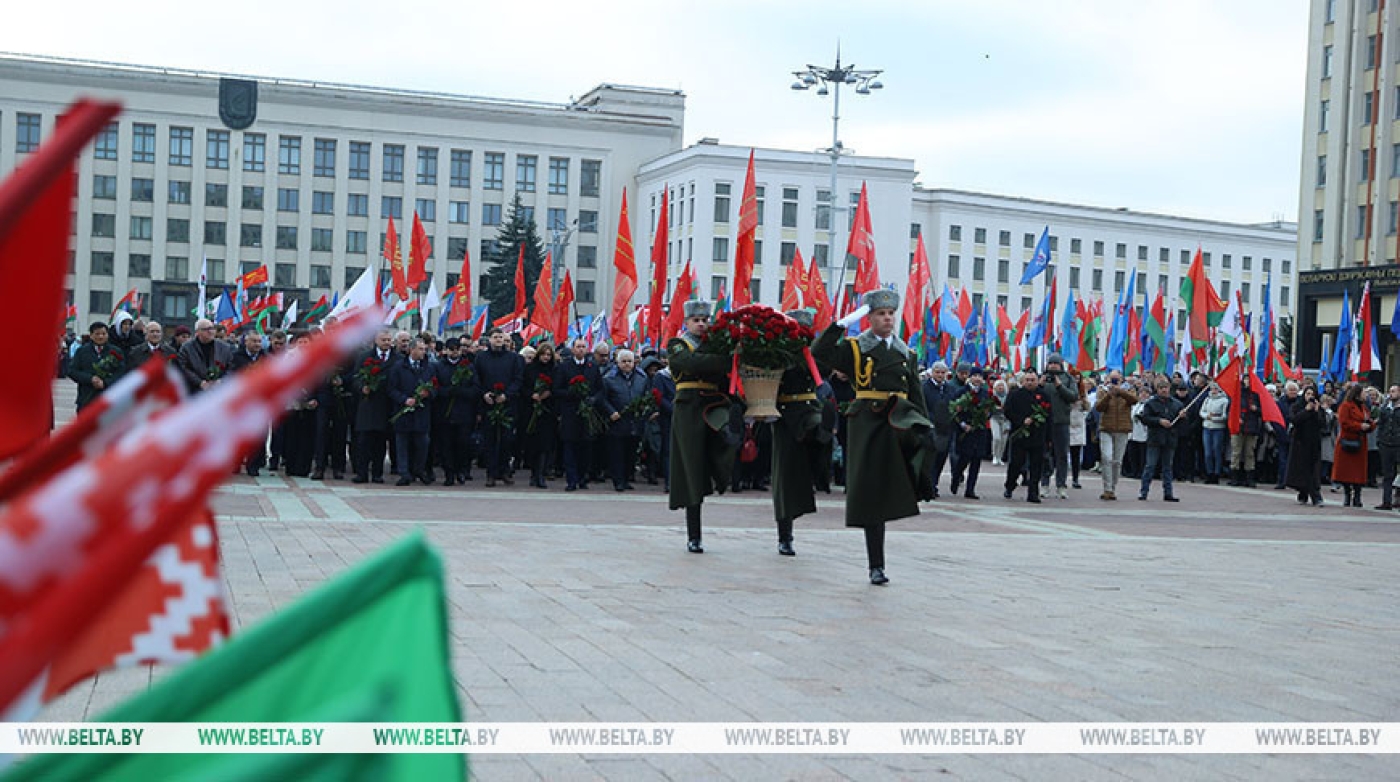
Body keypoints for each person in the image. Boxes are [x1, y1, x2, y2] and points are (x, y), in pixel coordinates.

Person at [812, 290, 933, 585]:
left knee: (899, 482)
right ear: (869, 318)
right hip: (869, 422)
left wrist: (925, 426)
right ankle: (875, 564)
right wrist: (840, 325)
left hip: (899, 423)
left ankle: (919, 490)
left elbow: (915, 396)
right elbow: (820, 351)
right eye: (881, 313)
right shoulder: (856, 349)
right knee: (871, 494)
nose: (888, 318)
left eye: (891, 313)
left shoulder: (906, 353)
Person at [667, 301, 737, 552]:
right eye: (695, 320)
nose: (701, 324)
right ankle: (693, 535)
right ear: (686, 322)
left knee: (730, 441)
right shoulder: (676, 345)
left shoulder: (715, 344)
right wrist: (721, 358)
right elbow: (691, 363)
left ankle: (721, 478)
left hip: (714, 405)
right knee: (691, 469)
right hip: (689, 410)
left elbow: (722, 369)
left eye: (705, 320)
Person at [769, 308, 823, 556]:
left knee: (823, 440)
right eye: (796, 328)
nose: (801, 333)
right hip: (784, 416)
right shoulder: (777, 353)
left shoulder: (816, 352)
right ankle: (785, 535)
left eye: (805, 328)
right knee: (785, 478)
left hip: (810, 411)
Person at [351, 329, 399, 484]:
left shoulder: (397, 359)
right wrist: (362, 387)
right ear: (376, 340)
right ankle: (362, 473)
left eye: (388, 340)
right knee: (363, 441)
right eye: (383, 340)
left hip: (386, 405)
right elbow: (356, 378)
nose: (387, 343)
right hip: (367, 404)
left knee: (380, 442)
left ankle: (377, 473)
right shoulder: (365, 357)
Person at [389, 336, 437, 486]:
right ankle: (404, 473)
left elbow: (436, 386)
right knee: (402, 443)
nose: (423, 352)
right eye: (420, 349)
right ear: (411, 349)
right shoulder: (398, 367)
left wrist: (428, 393)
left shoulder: (429, 367)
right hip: (403, 411)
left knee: (423, 443)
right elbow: (391, 389)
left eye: (425, 349)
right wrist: (404, 399)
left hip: (422, 412)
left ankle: (419, 469)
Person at [555, 338, 601, 491]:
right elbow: (557, 389)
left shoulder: (592, 367)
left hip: (587, 413)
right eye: (578, 347)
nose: (581, 349)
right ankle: (571, 480)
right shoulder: (564, 367)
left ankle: (582, 478)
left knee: (586, 447)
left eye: (583, 347)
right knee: (570, 446)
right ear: (573, 349)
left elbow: (600, 389)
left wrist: (593, 399)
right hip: (570, 412)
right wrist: (572, 393)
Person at [432, 337, 477, 486]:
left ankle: (460, 470)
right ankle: (449, 473)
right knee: (446, 445)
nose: (454, 352)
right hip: (444, 413)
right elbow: (434, 387)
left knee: (462, 444)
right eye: (451, 349)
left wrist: (462, 391)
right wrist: (447, 392)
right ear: (445, 350)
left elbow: (475, 389)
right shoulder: (439, 366)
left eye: (456, 349)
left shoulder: (468, 367)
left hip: (463, 414)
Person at [1003, 370, 1049, 503]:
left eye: (1032, 380)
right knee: (1016, 463)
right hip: (1019, 435)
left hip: (1037, 436)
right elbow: (1008, 411)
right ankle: (1010, 486)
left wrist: (1048, 437)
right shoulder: (1015, 394)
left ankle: (1033, 492)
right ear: (1023, 381)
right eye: (1027, 380)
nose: (1030, 382)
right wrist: (1020, 421)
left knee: (1036, 465)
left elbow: (1048, 415)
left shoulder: (1043, 395)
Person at [1137, 380, 1184, 502]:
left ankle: (1168, 493)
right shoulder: (1150, 404)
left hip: (1170, 439)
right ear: (1157, 389)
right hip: (1155, 439)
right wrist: (1159, 421)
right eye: (1161, 388)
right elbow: (1145, 418)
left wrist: (1183, 416)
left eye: (1166, 387)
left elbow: (1182, 423)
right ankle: (1144, 491)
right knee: (1150, 466)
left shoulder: (1176, 404)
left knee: (1167, 467)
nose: (1164, 390)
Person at [1040, 354, 1079, 499]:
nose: (1053, 366)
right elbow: (1034, 394)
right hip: (1044, 421)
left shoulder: (1067, 378)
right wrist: (1040, 385)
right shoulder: (1042, 377)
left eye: (1056, 363)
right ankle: (1044, 484)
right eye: (1051, 363)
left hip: (1061, 421)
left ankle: (1061, 485)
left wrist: (1059, 386)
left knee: (1061, 454)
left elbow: (1073, 396)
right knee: (1045, 455)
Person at [1093, 369, 1136, 500]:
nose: (1114, 382)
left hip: (1122, 429)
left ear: (1121, 379)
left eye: (1117, 379)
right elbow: (1099, 407)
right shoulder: (1102, 390)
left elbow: (1134, 400)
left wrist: (1120, 391)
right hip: (1106, 428)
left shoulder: (1129, 390)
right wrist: (1109, 395)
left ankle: (1113, 487)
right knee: (1106, 457)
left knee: (1117, 461)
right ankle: (1107, 488)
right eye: (1112, 379)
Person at [951, 368, 993, 499]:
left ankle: (970, 489)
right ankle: (956, 477)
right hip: (965, 430)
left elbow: (989, 409)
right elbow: (954, 410)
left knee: (976, 459)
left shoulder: (985, 393)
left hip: (979, 430)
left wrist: (987, 414)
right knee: (964, 457)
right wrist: (963, 424)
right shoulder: (961, 392)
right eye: (974, 375)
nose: (977, 379)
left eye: (979, 376)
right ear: (970, 377)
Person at [522, 342, 559, 489]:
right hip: (532, 410)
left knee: (545, 445)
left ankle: (541, 474)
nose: (546, 357)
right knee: (532, 444)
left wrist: (548, 394)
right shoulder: (530, 369)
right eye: (543, 354)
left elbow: (557, 387)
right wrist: (532, 395)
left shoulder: (555, 370)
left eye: (549, 355)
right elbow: (523, 387)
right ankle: (533, 473)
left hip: (547, 411)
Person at [921, 361, 959, 499]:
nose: (940, 375)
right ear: (932, 373)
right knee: (930, 459)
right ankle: (929, 487)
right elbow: (922, 406)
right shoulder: (924, 388)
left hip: (945, 429)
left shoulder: (950, 389)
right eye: (937, 372)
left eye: (943, 373)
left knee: (940, 459)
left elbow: (954, 405)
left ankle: (934, 484)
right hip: (930, 428)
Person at [68, 321, 125, 411]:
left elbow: (121, 373)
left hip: (109, 399)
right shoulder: (82, 351)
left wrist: (105, 383)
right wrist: (90, 379)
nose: (100, 336)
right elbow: (72, 371)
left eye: (103, 333)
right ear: (91, 335)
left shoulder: (116, 352)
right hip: (86, 398)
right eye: (97, 334)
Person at [1332, 383, 1372, 507]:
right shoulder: (1346, 406)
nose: (1366, 395)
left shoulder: (1364, 408)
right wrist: (1359, 426)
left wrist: (1370, 425)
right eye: (1364, 392)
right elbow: (1344, 423)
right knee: (1346, 472)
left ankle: (1357, 496)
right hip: (1347, 441)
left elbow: (1368, 420)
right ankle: (1347, 495)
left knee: (1359, 473)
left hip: (1360, 442)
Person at [1286, 385, 1326, 506]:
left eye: (1312, 394)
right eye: (1308, 394)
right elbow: (1295, 420)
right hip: (1300, 443)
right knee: (1302, 470)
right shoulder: (1297, 406)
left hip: (1314, 443)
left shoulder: (1319, 409)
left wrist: (1317, 411)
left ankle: (1314, 494)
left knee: (1313, 470)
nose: (1310, 397)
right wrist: (1306, 410)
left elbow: (1322, 424)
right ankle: (1306, 492)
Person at [176, 318, 234, 394]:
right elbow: (184, 368)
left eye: (212, 328)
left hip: (219, 392)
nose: (210, 331)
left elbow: (231, 367)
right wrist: (200, 382)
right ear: (198, 332)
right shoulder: (186, 348)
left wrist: (221, 381)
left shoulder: (224, 347)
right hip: (195, 392)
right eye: (206, 329)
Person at [1229, 378, 1264, 486]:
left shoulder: (1256, 395)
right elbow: (1230, 410)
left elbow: (1263, 412)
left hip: (1251, 427)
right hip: (1238, 427)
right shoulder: (1236, 394)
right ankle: (1235, 477)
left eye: (1249, 380)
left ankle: (1249, 478)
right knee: (1236, 452)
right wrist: (1236, 418)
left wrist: (1256, 409)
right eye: (1246, 379)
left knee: (1250, 453)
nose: (1247, 381)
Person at [1373, 385, 1400, 510]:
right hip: (1386, 444)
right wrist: (1379, 440)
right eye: (1390, 391)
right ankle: (1386, 501)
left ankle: (1398, 499)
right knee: (1387, 474)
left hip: (1398, 443)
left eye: (1393, 391)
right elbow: (1381, 424)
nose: (1391, 394)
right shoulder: (1385, 408)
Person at [1199, 383, 1230, 484]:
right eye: (1212, 388)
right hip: (1207, 427)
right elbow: (1201, 411)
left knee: (1216, 451)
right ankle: (1209, 472)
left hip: (1218, 428)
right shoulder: (1208, 399)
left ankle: (1217, 473)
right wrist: (1206, 416)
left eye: (1215, 389)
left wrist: (1214, 418)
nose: (1213, 390)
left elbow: (1224, 416)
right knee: (1208, 452)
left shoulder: (1224, 400)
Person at [1068, 380, 1088, 490]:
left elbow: (1087, 407)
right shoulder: (1066, 390)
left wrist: (1083, 401)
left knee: (1075, 454)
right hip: (1067, 422)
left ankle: (1075, 478)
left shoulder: (1082, 392)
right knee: (1061, 454)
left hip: (1079, 424)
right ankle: (1061, 478)